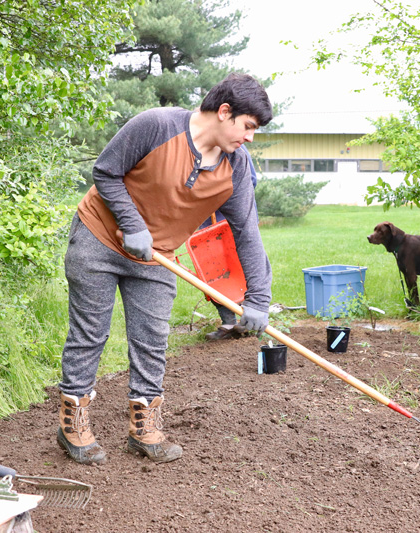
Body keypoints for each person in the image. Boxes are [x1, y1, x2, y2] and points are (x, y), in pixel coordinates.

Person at [57, 73, 273, 465]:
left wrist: (258, 297)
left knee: (153, 338)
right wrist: (132, 222)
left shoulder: (236, 168)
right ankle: (74, 421)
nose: (250, 137)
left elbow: (247, 233)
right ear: (225, 112)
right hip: (99, 239)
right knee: (90, 333)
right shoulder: (156, 125)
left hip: (158, 256)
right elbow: (106, 170)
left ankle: (144, 427)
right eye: (248, 126)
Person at [201, 143, 258, 341]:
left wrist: (219, 194)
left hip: (233, 222)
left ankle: (248, 318)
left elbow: (249, 181)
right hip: (206, 227)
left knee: (240, 268)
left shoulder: (236, 152)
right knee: (212, 273)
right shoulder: (197, 149)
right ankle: (228, 322)